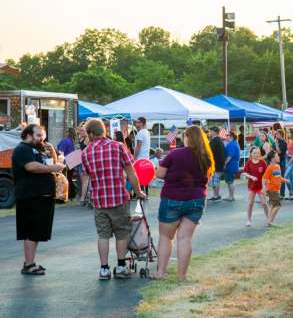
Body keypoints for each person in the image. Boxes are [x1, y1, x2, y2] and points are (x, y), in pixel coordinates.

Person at [81, 119, 146, 280]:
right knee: (122, 233)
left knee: (103, 235)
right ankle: (121, 266)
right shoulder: (118, 146)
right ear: (103, 130)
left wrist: (83, 196)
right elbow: (131, 172)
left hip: (99, 200)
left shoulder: (86, 153)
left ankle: (104, 269)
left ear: (90, 133)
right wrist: (139, 191)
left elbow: (87, 177)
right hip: (118, 198)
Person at [153, 126, 213, 281]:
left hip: (172, 198)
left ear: (187, 137)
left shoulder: (175, 154)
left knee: (166, 237)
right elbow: (208, 178)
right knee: (185, 238)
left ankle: (160, 272)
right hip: (196, 200)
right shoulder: (206, 156)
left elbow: (159, 173)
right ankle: (182, 276)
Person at [13, 124, 65, 275]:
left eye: (42, 135)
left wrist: (53, 157)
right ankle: (29, 265)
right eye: (38, 135)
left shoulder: (38, 148)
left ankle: (31, 262)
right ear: (28, 134)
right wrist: (52, 168)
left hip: (41, 196)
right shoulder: (22, 149)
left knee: (37, 232)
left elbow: (47, 163)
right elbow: (31, 167)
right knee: (31, 232)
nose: (42, 138)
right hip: (30, 196)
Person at [242, 146, 268, 227]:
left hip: (261, 186)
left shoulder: (263, 162)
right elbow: (244, 173)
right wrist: (251, 177)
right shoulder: (249, 162)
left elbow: (267, 175)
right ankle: (249, 220)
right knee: (250, 204)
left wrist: (265, 186)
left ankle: (269, 218)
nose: (256, 154)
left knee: (264, 203)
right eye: (254, 153)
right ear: (251, 154)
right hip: (252, 186)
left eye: (257, 153)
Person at [264, 151, 288, 226]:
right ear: (272, 159)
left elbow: (278, 177)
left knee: (273, 206)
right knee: (277, 205)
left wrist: (285, 180)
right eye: (277, 156)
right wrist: (264, 189)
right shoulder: (270, 168)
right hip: (272, 189)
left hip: (277, 189)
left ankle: (269, 221)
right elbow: (264, 178)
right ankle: (270, 221)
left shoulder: (278, 166)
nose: (279, 157)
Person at [57, 127, 78, 199]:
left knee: (65, 178)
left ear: (67, 132)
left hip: (66, 161)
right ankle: (72, 194)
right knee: (70, 178)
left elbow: (60, 151)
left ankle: (67, 194)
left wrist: (60, 161)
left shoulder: (65, 140)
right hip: (73, 161)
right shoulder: (74, 141)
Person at [207, 126, 226, 202]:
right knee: (215, 181)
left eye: (210, 131)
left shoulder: (215, 141)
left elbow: (210, 152)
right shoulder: (218, 140)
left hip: (216, 165)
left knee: (216, 181)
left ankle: (217, 196)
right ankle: (215, 195)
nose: (209, 132)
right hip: (218, 164)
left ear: (214, 131)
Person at [275, 129, 293, 200]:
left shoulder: (283, 142)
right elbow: (274, 150)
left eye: (278, 134)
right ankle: (279, 193)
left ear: (281, 134)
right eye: (276, 134)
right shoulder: (278, 141)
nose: (276, 135)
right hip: (277, 161)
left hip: (282, 161)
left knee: (282, 177)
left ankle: (282, 193)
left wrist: (276, 144)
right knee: (277, 177)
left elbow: (279, 151)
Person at [223, 132, 241, 201]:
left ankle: (231, 196)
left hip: (231, 165)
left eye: (227, 135)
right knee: (231, 181)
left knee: (230, 181)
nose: (226, 136)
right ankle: (231, 195)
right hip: (234, 164)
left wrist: (224, 164)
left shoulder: (231, 144)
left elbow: (230, 156)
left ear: (231, 136)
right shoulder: (235, 143)